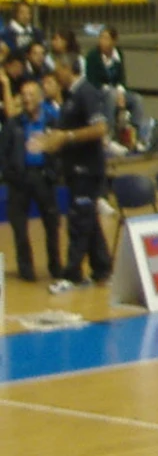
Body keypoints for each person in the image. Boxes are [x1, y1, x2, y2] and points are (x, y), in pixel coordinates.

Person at [38, 53, 110, 293]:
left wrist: (67, 137)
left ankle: (72, 275)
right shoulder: (70, 97)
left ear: (68, 68)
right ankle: (102, 268)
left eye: (58, 69)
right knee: (88, 219)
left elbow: (100, 128)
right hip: (74, 170)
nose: (55, 75)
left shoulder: (86, 93)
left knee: (79, 221)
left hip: (87, 170)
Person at [3, 74, 63, 282]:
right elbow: (4, 152)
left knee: (52, 224)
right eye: (24, 95)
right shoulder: (14, 123)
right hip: (20, 179)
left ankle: (55, 266)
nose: (27, 98)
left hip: (43, 177)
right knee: (19, 227)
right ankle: (25, 269)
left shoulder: (51, 119)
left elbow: (59, 150)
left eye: (31, 94)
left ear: (39, 97)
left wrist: (53, 173)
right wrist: (10, 174)